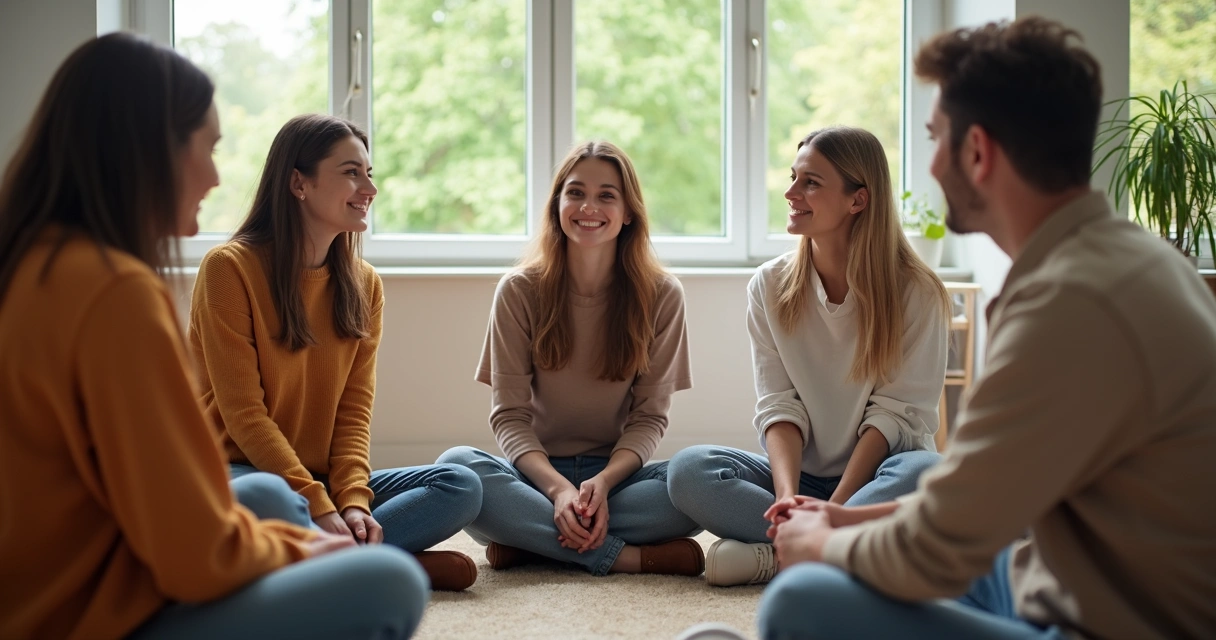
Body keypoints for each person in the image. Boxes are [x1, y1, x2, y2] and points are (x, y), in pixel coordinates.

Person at [758, 17, 1216, 639]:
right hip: (1066, 575)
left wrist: (818, 545)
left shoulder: (1071, 304)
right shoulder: (1125, 260)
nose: (932, 163)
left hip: (1108, 624)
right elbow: (980, 501)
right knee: (948, 543)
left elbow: (933, 554)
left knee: (799, 601)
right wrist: (842, 521)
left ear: (977, 151)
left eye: (936, 139)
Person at [0, 33, 427, 640]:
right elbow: (192, 551)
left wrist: (334, 509)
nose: (216, 176)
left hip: (74, 575)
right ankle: (381, 555)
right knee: (390, 581)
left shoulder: (35, 265)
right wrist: (304, 548)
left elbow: (161, 504)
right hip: (88, 612)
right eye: (207, 148)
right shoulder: (119, 292)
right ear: (147, 151)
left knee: (282, 502)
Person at [189, 113, 482, 591]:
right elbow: (244, 416)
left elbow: (353, 413)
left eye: (369, 173)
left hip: (319, 481)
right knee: (268, 501)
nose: (370, 188)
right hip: (243, 475)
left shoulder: (365, 285)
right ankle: (388, 564)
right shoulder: (229, 269)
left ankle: (331, 561)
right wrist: (318, 505)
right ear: (298, 184)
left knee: (461, 485)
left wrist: (352, 502)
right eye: (351, 172)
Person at [667, 126, 949, 587]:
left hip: (881, 475)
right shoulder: (769, 285)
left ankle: (781, 555)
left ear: (858, 200)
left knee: (928, 474)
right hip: (802, 480)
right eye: (794, 178)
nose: (790, 192)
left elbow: (896, 416)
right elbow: (779, 406)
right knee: (688, 471)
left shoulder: (918, 292)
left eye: (811, 182)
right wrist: (787, 499)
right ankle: (830, 549)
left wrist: (834, 510)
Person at [437, 141, 704, 577]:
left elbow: (649, 418)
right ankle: (628, 558)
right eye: (576, 193)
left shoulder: (663, 295)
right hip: (535, 476)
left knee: (693, 487)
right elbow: (509, 416)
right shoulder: (518, 290)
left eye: (606, 195)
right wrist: (559, 491)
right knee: (458, 468)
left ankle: (531, 543)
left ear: (628, 212)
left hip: (618, 480)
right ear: (557, 205)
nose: (588, 207)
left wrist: (603, 483)